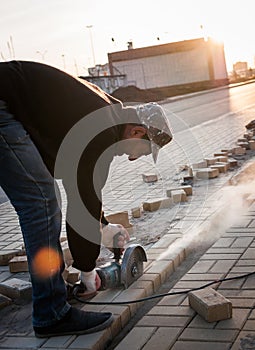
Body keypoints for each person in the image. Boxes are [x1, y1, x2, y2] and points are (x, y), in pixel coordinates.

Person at [0, 60, 172, 338]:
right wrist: (87, 270)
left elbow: (84, 191)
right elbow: (82, 207)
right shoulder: (101, 131)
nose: (133, 158)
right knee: (42, 203)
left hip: (7, 100)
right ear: (138, 132)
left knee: (43, 197)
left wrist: (103, 226)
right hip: (2, 105)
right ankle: (51, 314)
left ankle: (51, 296)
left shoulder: (108, 116)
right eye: (142, 150)